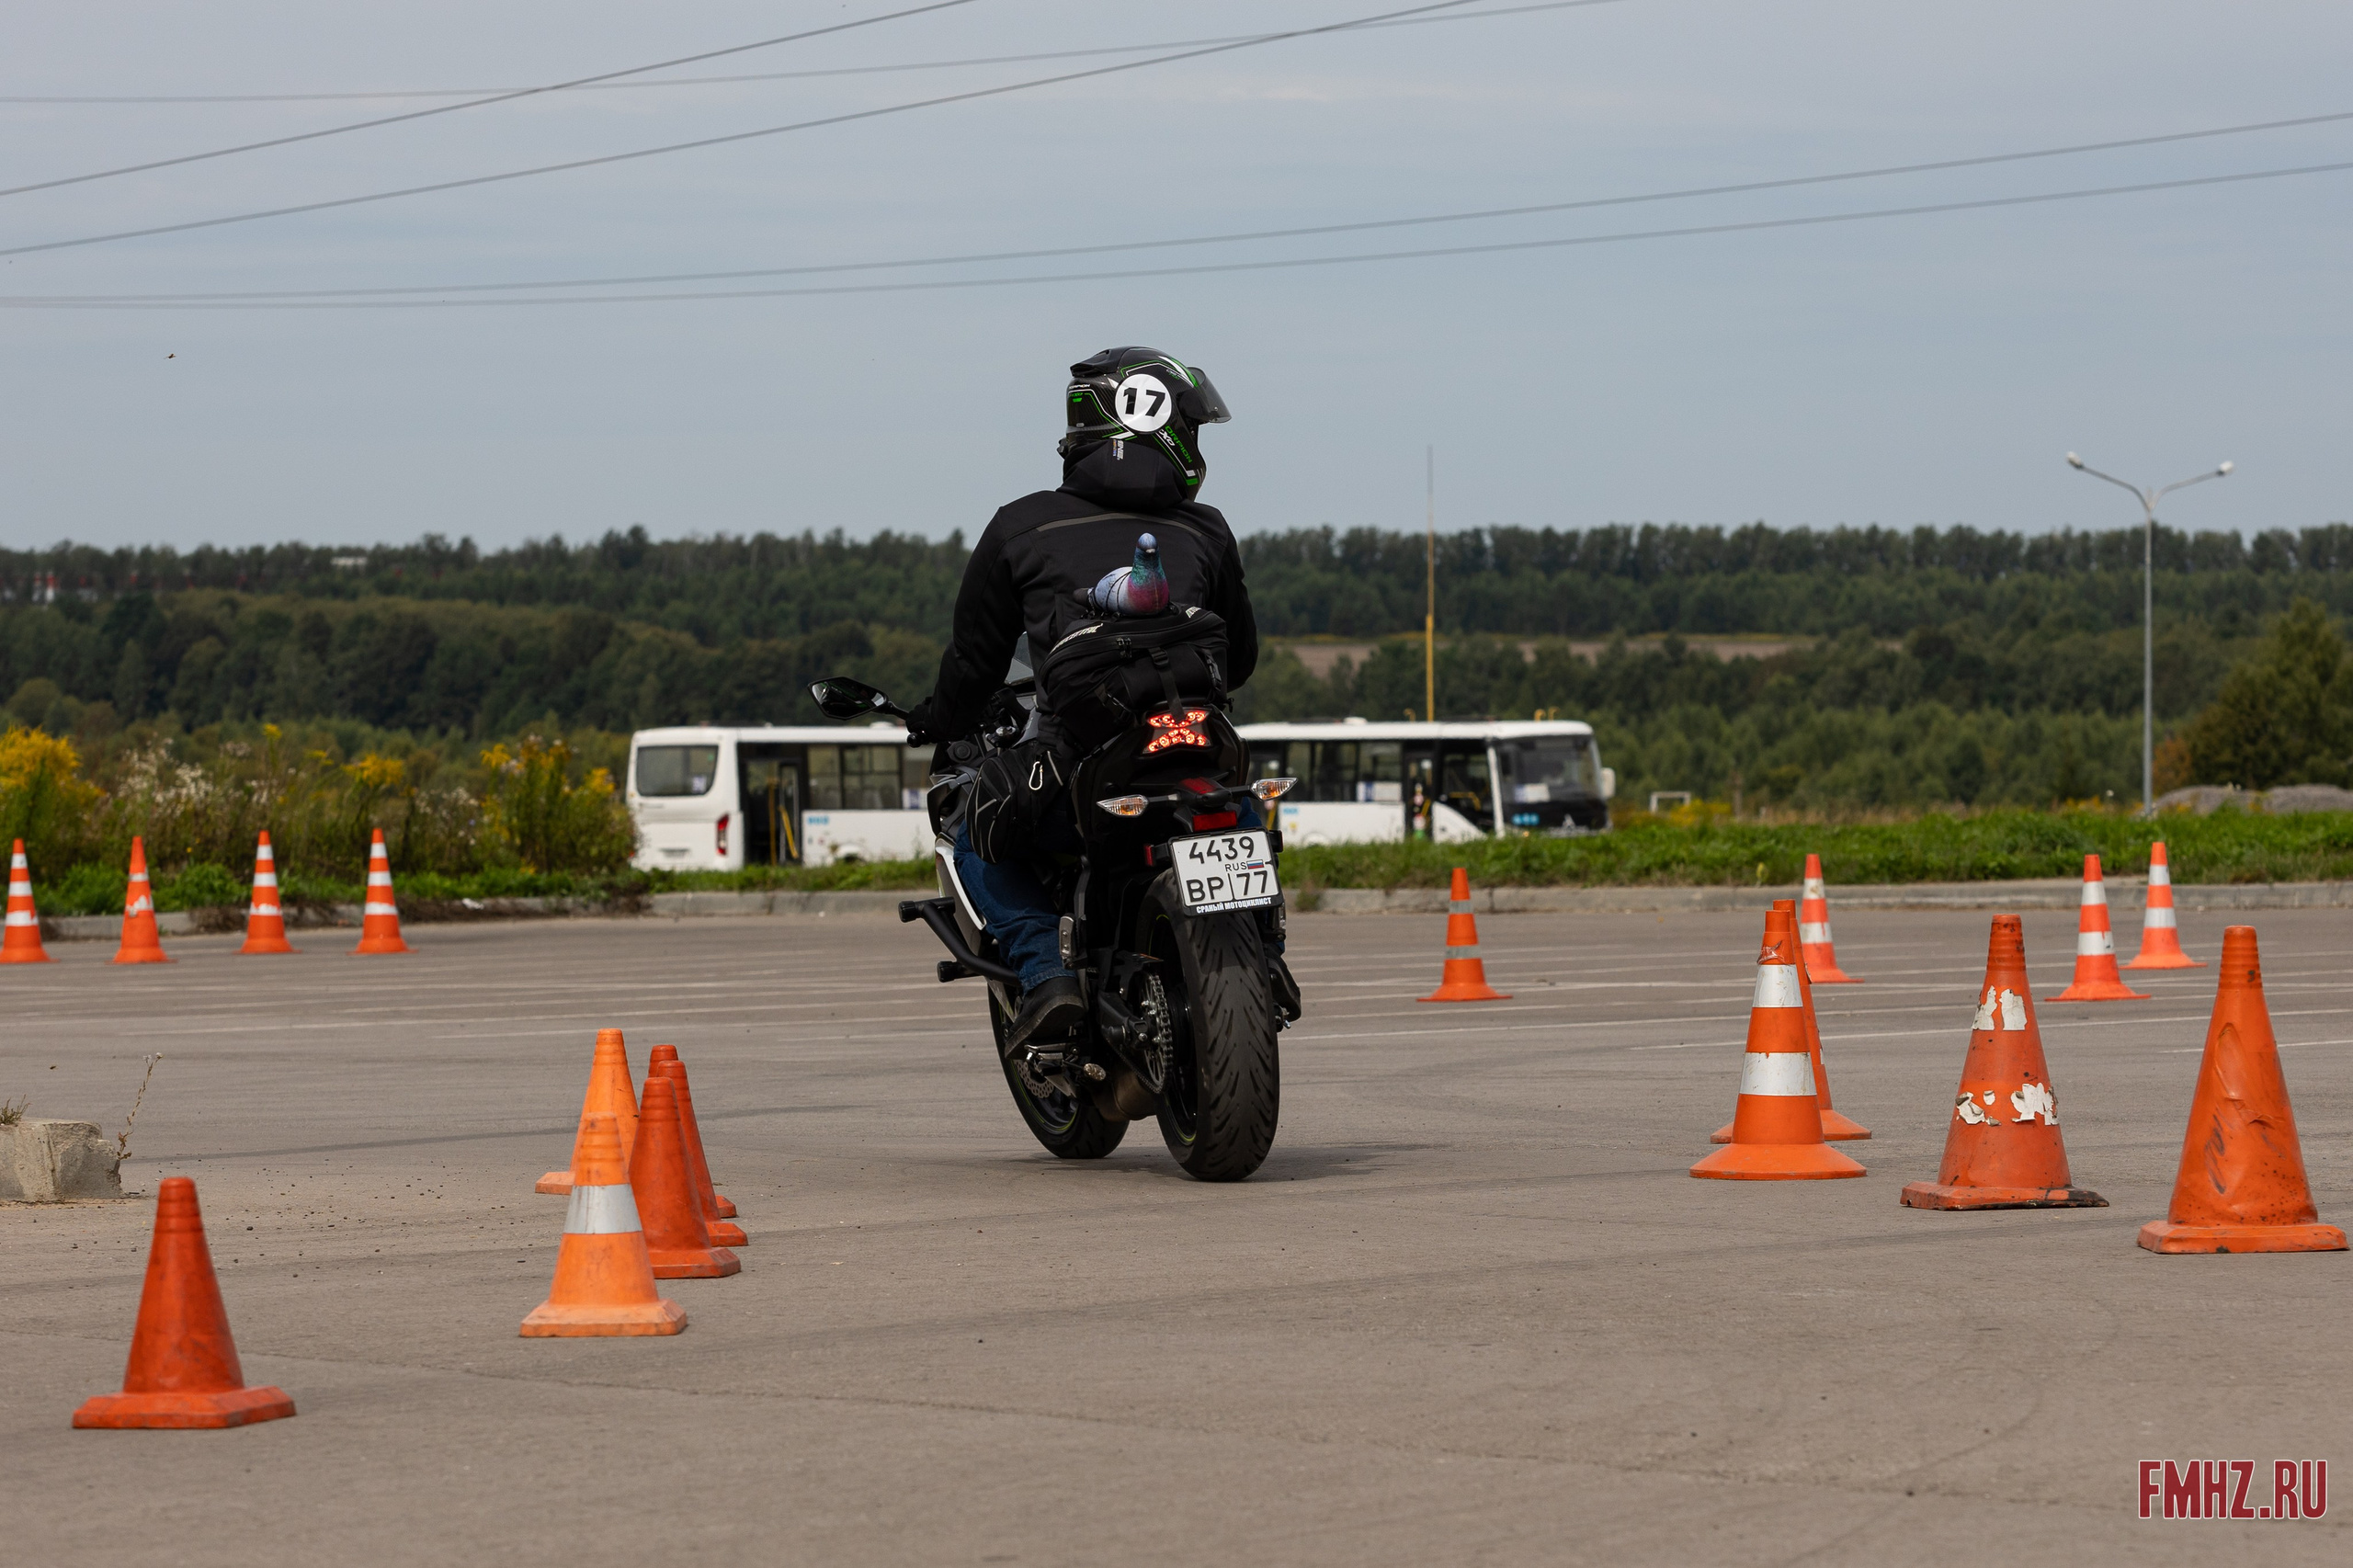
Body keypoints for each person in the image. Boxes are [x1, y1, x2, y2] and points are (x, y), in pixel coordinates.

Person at [904, 347, 1259, 1050]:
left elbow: (974, 666)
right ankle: (1264, 948)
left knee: (976, 837)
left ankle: (1046, 972)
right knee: (1237, 808)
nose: (1194, 444)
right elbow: (1239, 660)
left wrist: (938, 720)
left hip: (1079, 769)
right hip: (1198, 749)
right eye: (1190, 429)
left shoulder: (1022, 526)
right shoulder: (1207, 529)